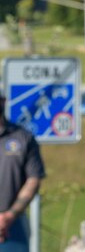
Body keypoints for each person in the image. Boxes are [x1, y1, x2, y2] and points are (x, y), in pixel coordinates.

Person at [0, 91, 44, 252]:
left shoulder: (23, 138)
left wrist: (9, 216)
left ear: (3, 101)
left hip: (13, 225)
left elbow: (33, 179)